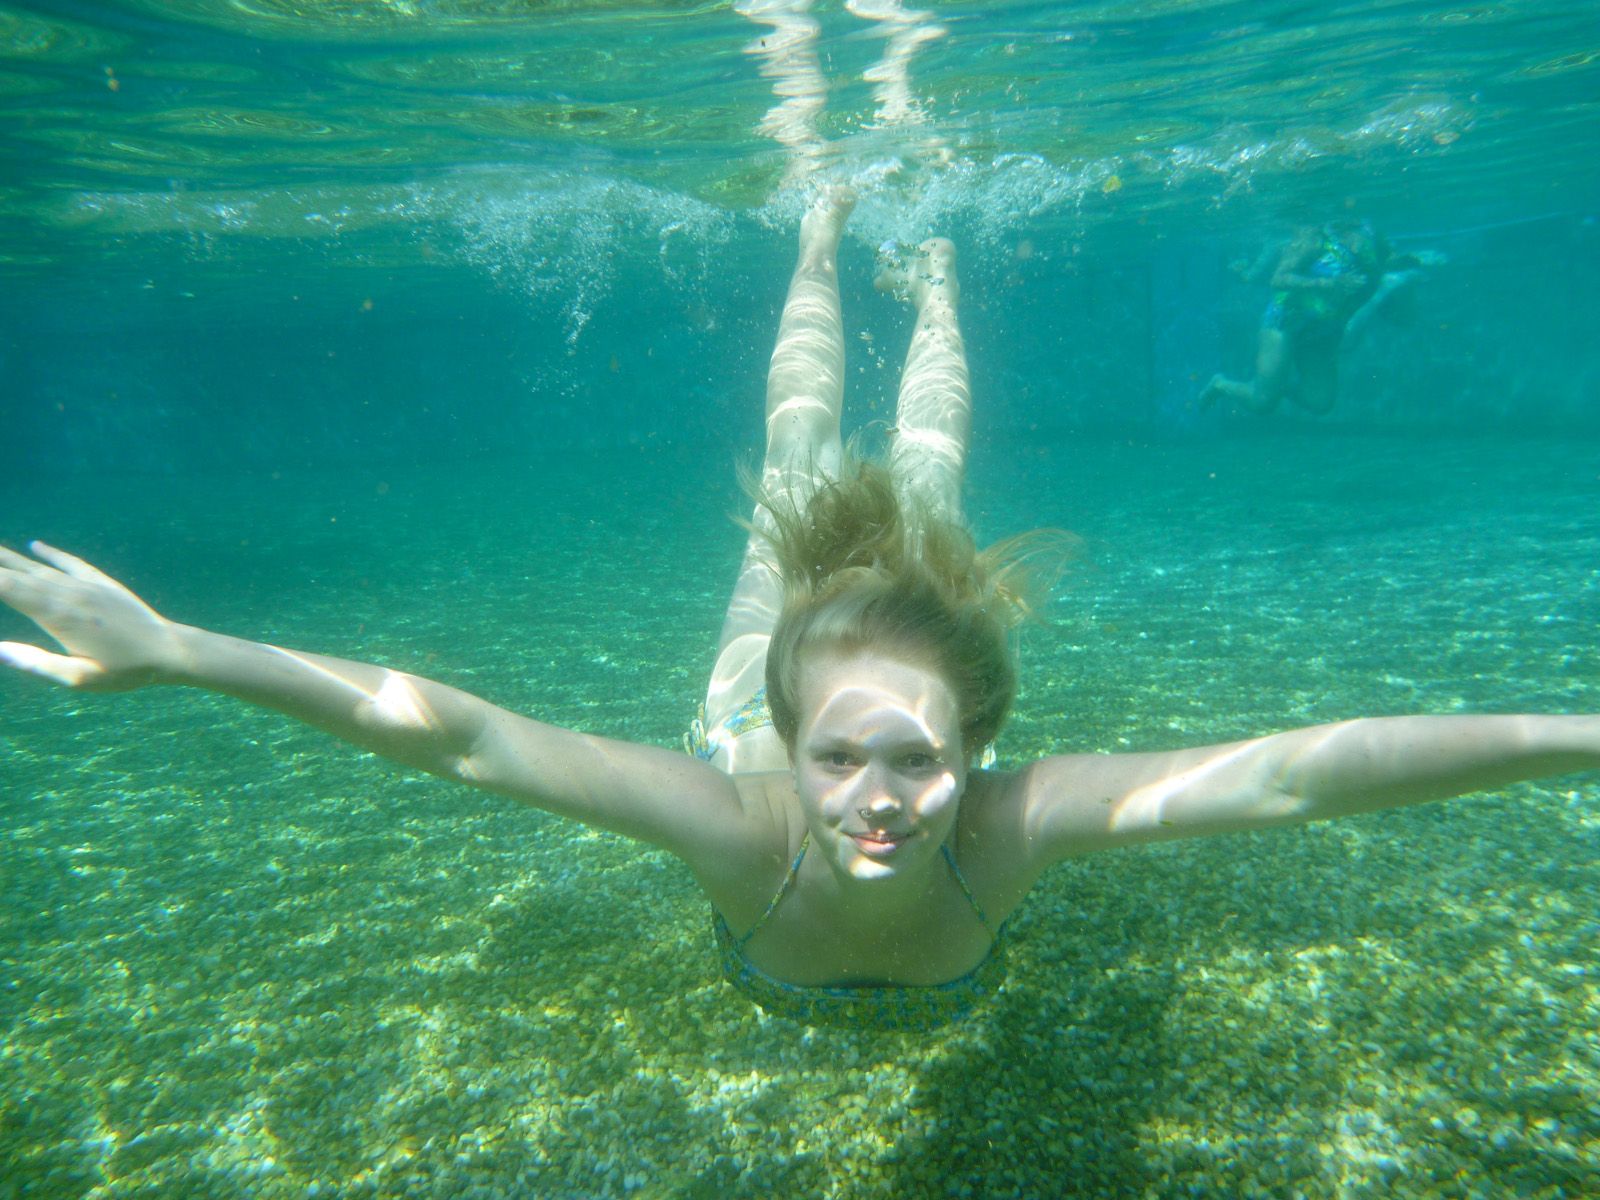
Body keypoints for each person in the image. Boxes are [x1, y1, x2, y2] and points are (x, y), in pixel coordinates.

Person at [0, 192, 1592, 1031]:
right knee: (799, 450)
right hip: (764, 665)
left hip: (884, 647)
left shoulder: (1013, 819)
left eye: (918, 756)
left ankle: (947, 290)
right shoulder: (732, 815)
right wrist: (180, 650)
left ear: (979, 736)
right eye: (839, 760)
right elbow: (462, 739)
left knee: (929, 461)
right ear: (784, 741)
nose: (883, 804)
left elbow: (1301, 770)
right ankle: (822, 237)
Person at [1200, 219, 1443, 415]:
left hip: (1325, 328)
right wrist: (1327, 283)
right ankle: (1221, 384)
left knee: (1320, 402)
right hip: (1287, 320)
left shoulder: (1373, 233)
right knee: (1262, 403)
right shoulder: (1315, 235)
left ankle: (1275, 384)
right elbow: (1279, 279)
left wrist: (1415, 263)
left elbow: (1389, 265)